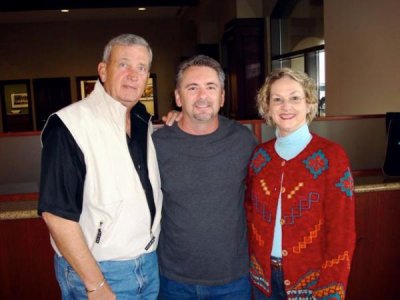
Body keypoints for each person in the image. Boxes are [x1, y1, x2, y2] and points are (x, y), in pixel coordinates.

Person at [38, 33, 162, 299]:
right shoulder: (68, 125)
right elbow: (56, 215)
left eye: (141, 68)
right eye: (123, 64)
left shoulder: (143, 121)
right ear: (103, 71)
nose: (133, 75)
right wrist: (95, 284)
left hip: (149, 265)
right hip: (100, 272)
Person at [153, 54, 258, 299]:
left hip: (233, 279)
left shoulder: (244, 141)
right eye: (192, 88)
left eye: (211, 87)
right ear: (178, 97)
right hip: (172, 280)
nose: (202, 96)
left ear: (222, 97)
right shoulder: (156, 144)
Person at [245, 68, 356, 300]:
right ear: (267, 107)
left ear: (309, 104)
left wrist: (330, 289)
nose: (286, 107)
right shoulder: (259, 157)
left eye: (295, 98)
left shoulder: (332, 156)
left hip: (313, 282)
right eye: (277, 99)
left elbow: (342, 231)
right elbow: (249, 214)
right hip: (262, 280)